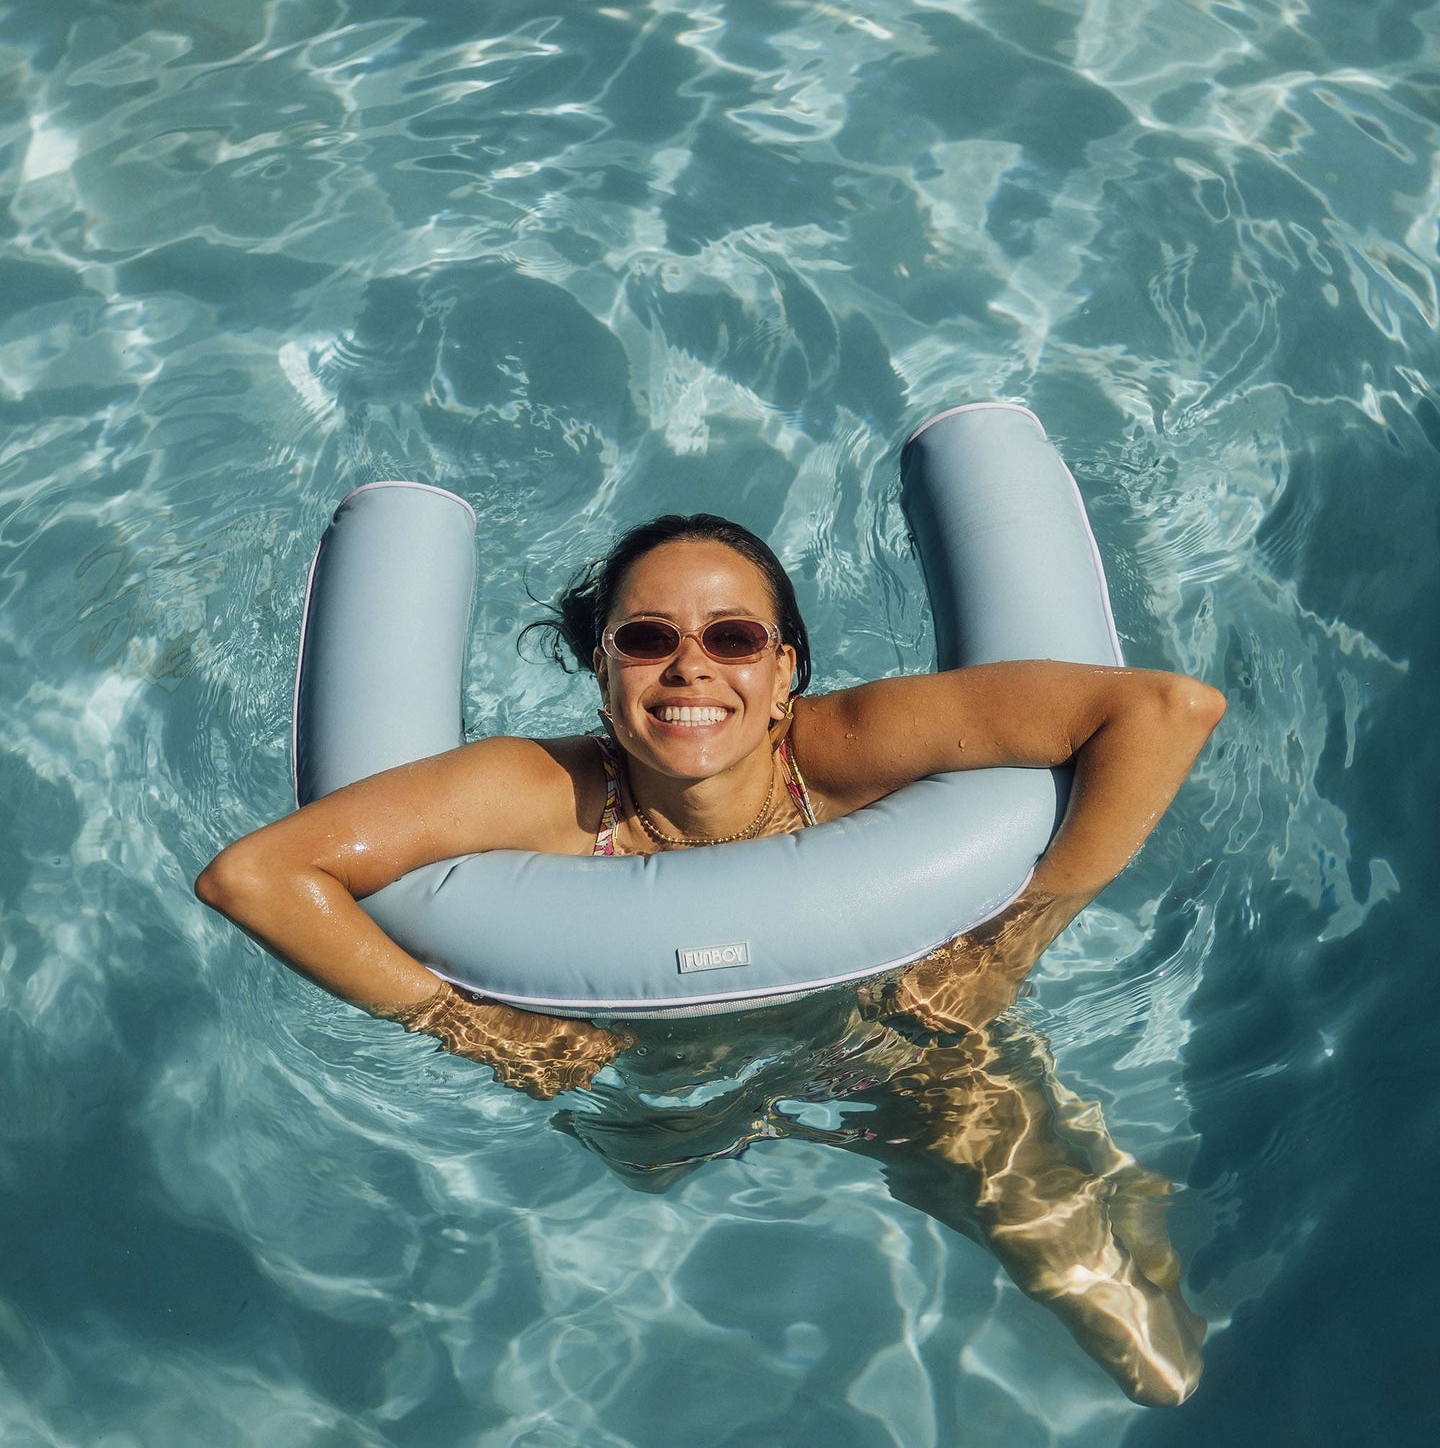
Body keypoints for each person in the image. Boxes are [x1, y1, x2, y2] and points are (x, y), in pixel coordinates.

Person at [196, 510, 1224, 1404]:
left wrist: (1021, 930)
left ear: (785, 671)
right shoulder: (541, 792)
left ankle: (1119, 1197)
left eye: (733, 637)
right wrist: (473, 1025)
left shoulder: (845, 749)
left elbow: (1168, 710)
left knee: (1144, 1354)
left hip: (892, 1037)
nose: (691, 667)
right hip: (656, 1077)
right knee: (647, 1175)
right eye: (647, 639)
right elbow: (255, 876)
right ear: (601, 670)